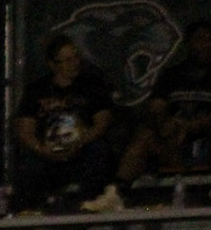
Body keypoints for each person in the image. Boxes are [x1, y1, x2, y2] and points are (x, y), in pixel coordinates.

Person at [13, 35, 119, 213]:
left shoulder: (91, 85)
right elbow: (24, 130)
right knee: (29, 164)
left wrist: (80, 142)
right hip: (49, 153)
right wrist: (42, 149)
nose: (74, 63)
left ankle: (87, 205)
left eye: (76, 57)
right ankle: (30, 212)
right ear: (53, 65)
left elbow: (102, 122)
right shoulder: (37, 90)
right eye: (68, 60)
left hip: (82, 149)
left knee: (99, 151)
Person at [119, 20, 211, 191]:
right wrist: (164, 123)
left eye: (209, 39)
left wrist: (189, 126)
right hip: (174, 141)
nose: (206, 44)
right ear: (189, 43)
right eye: (200, 39)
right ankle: (119, 193)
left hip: (204, 140)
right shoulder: (173, 74)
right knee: (145, 136)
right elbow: (156, 106)